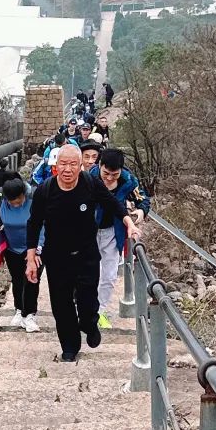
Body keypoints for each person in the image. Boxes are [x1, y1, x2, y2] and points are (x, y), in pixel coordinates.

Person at [25, 144, 139, 362]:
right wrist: (31, 258)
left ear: (81, 166)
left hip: (86, 254)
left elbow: (112, 203)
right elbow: (33, 224)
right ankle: (69, 346)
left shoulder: (90, 183)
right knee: (61, 305)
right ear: (56, 166)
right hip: (57, 257)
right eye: (63, 164)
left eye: (73, 164)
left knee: (88, 301)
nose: (68, 169)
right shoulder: (45, 191)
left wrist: (128, 223)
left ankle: (89, 323)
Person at [93, 147, 150, 322]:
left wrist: (141, 211)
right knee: (89, 272)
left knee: (109, 276)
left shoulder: (128, 181)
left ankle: (99, 311)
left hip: (113, 231)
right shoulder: (89, 178)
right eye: (106, 173)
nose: (109, 178)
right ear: (100, 165)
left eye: (114, 175)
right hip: (89, 231)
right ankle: (85, 308)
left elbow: (143, 199)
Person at [0, 176, 40, 332]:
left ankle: (30, 314)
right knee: (17, 279)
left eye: (19, 201)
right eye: (12, 202)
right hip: (12, 247)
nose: (16, 204)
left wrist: (37, 248)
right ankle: (19, 310)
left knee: (32, 279)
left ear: (23, 194)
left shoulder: (35, 197)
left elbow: (44, 223)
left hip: (34, 246)